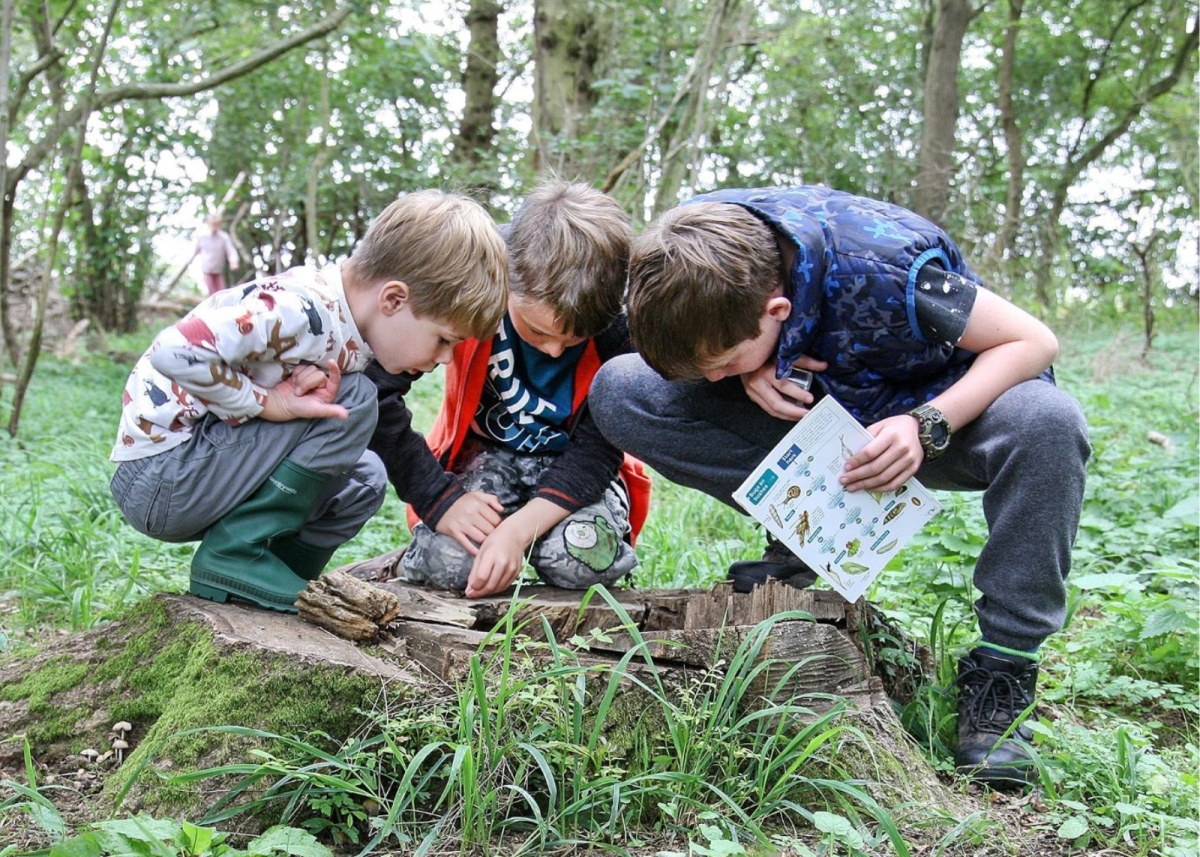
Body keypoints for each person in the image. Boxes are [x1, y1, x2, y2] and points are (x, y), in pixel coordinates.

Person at [587, 186, 1090, 788]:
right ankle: (804, 529)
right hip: (823, 420)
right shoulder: (694, 252)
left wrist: (926, 424)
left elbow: (1033, 342)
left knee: (1051, 424)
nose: (715, 377)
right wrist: (748, 375)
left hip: (943, 419)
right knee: (620, 389)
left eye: (722, 363)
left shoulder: (893, 271)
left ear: (774, 311)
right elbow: (689, 360)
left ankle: (1003, 673)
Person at [110, 190, 509, 613]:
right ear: (393, 299)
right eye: (443, 339)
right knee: (353, 398)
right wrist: (263, 402)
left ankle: (281, 577)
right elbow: (173, 351)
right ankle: (233, 556)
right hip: (162, 478)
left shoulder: (348, 326)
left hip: (198, 471)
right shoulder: (301, 309)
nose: (444, 358)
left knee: (364, 478)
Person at [369, 181, 651, 599]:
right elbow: (378, 392)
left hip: (576, 470)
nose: (555, 350)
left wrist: (518, 533)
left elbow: (598, 448)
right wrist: (438, 497)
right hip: (486, 456)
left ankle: (564, 540)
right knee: (450, 561)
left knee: (582, 559)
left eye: (574, 339)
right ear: (505, 283)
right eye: (537, 330)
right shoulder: (470, 280)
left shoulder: (618, 325)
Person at [192, 213, 241, 295]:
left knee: (221, 292)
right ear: (208, 224)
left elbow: (231, 250)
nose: (214, 227)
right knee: (212, 293)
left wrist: (234, 261)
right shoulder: (202, 237)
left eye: (217, 224)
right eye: (213, 224)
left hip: (218, 270)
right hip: (207, 269)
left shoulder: (224, 237)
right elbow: (195, 251)